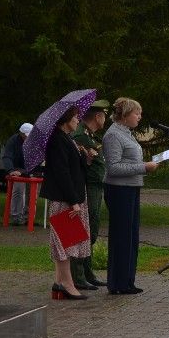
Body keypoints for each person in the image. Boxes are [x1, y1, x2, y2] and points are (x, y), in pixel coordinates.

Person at [103, 98, 158, 295]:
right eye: (137, 113)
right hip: (119, 190)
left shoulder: (127, 134)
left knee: (132, 235)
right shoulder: (112, 135)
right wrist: (144, 167)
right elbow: (114, 167)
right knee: (121, 236)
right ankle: (117, 283)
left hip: (132, 188)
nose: (139, 117)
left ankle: (128, 280)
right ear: (125, 115)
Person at [41, 107, 90, 300]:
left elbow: (73, 167)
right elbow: (62, 173)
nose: (78, 120)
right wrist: (73, 201)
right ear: (66, 119)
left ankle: (58, 282)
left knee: (67, 240)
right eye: (76, 117)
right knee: (64, 242)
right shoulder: (57, 140)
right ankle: (67, 284)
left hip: (71, 197)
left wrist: (85, 157)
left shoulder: (66, 138)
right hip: (64, 199)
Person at [71, 102, 107, 288]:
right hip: (87, 187)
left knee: (91, 230)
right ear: (97, 116)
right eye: (103, 115)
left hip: (95, 186)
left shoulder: (89, 135)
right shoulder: (80, 135)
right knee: (84, 230)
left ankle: (87, 272)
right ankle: (77, 276)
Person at [2, 123, 34, 225]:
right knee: (18, 190)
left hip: (30, 169)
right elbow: (7, 157)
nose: (27, 137)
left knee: (32, 193)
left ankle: (28, 217)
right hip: (16, 169)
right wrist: (11, 170)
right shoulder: (13, 141)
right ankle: (16, 217)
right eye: (26, 135)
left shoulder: (34, 141)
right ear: (21, 133)